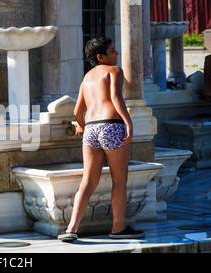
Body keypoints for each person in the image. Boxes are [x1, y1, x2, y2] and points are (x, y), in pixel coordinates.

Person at [57, 36, 145, 242]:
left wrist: (81, 124)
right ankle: (118, 228)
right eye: (113, 50)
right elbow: (116, 98)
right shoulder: (114, 71)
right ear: (101, 56)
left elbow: (78, 110)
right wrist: (128, 123)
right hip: (111, 126)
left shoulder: (87, 78)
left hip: (90, 130)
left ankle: (71, 229)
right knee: (119, 180)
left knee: (88, 181)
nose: (116, 54)